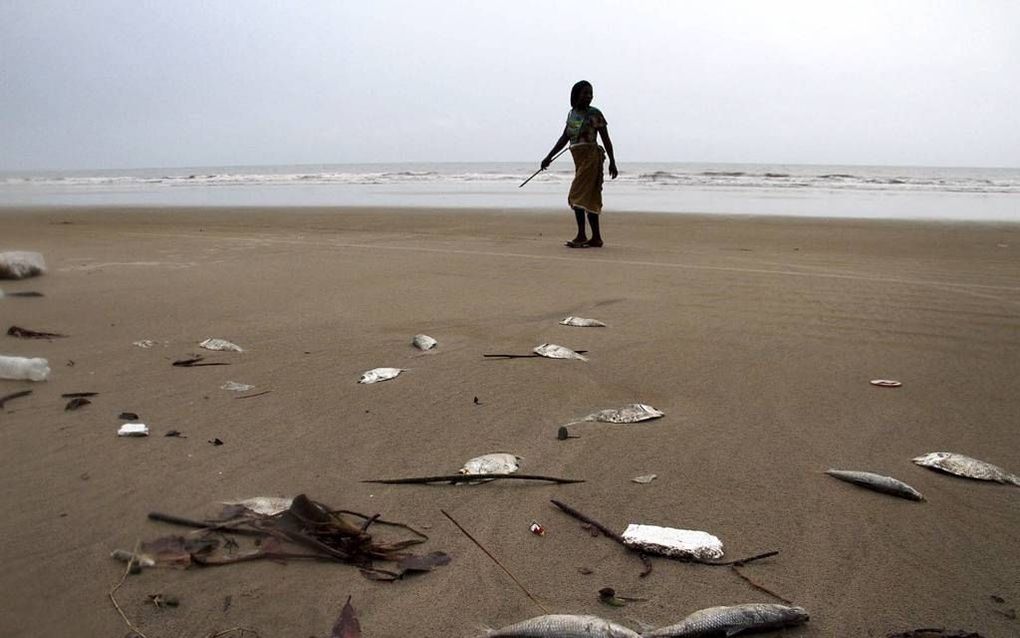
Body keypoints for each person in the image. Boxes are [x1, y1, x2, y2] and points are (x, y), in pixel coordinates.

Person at [541, 80, 618, 248]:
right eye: (585, 93)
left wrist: (612, 161)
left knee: (576, 195)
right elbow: (565, 138)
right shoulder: (572, 114)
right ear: (576, 95)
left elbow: (606, 139)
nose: (589, 97)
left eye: (591, 94)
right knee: (588, 197)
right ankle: (596, 238)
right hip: (579, 159)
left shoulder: (595, 113)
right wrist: (549, 157)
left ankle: (582, 235)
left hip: (591, 158)